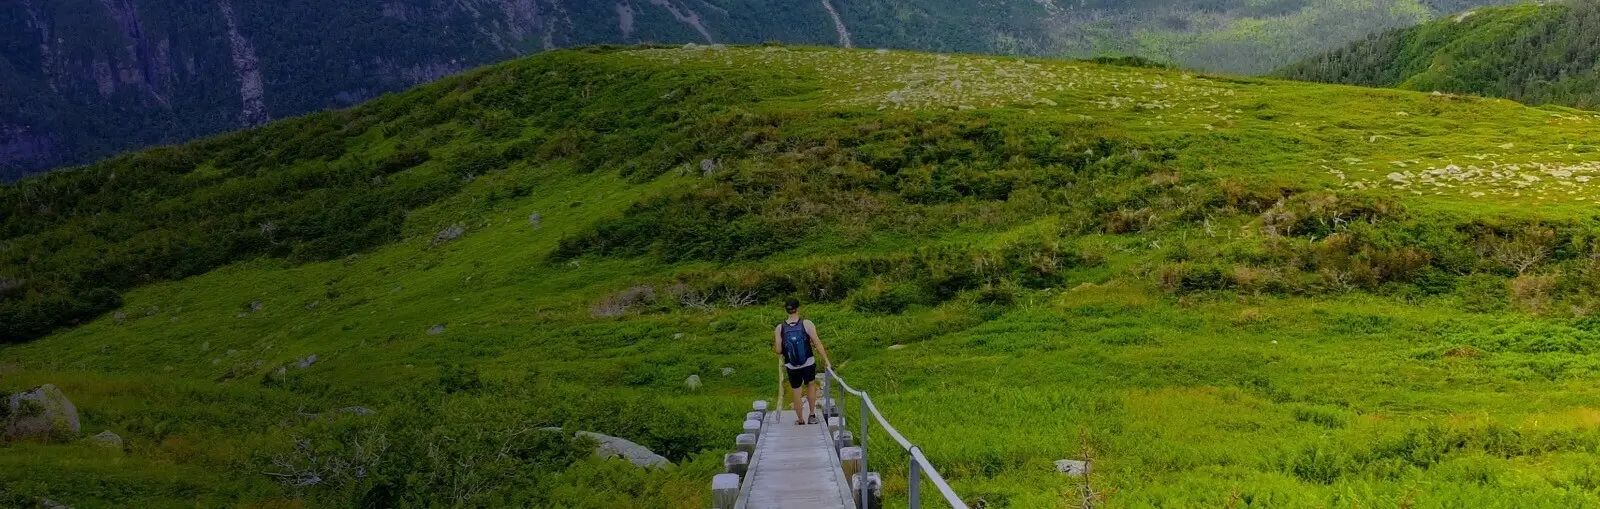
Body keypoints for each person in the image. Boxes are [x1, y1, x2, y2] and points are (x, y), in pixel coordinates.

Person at [774, 298, 833, 425]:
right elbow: (817, 343)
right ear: (798, 308)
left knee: (796, 391)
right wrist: (826, 360)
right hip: (808, 362)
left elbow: (778, 350)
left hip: (792, 365)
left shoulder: (780, 328)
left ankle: (800, 420)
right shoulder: (807, 324)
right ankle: (812, 416)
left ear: (786, 310)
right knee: (811, 385)